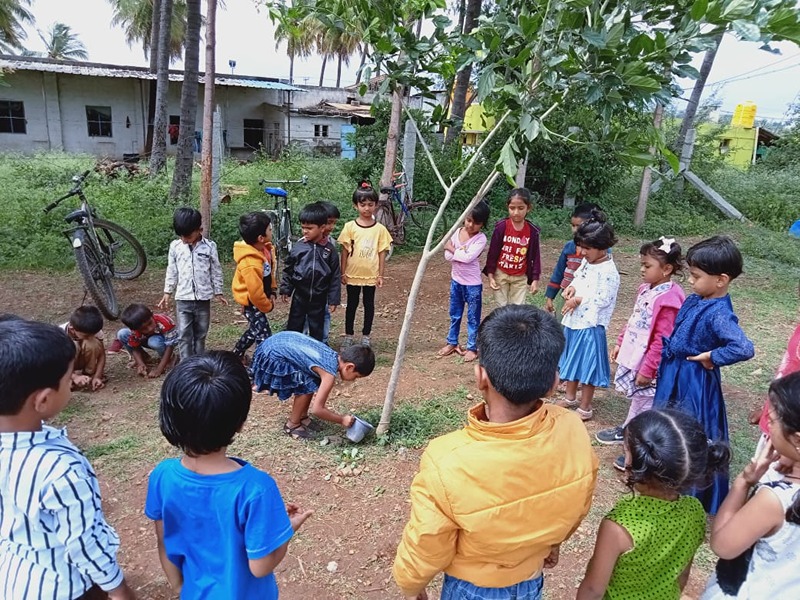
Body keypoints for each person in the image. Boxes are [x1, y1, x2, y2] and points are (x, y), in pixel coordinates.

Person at [393, 305, 598, 600]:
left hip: (471, 588)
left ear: (480, 377)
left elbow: (428, 541)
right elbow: (578, 502)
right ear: (554, 383)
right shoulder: (572, 428)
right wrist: (552, 543)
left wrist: (411, 585)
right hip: (531, 579)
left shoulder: (446, 459)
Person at [145, 351, 313, 599]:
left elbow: (164, 540)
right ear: (240, 423)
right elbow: (260, 566)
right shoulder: (256, 489)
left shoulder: (162, 476)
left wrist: (180, 587)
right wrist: (287, 530)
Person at [0, 318, 136, 600]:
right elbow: (84, 543)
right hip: (66, 587)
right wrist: (118, 589)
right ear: (43, 400)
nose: (71, 385)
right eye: (67, 380)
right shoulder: (61, 470)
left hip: (14, 580)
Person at [577, 409, 729, 600]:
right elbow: (682, 576)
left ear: (639, 465)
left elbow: (593, 590)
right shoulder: (695, 511)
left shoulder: (618, 526)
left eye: (626, 452)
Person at [653, 235, 754, 515]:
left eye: (696, 276)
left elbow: (743, 347)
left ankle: (689, 493)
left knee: (688, 432)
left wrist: (712, 357)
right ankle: (661, 478)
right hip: (674, 373)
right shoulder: (698, 299)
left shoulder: (719, 313)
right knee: (668, 425)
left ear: (721, 280)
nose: (690, 281)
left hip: (693, 382)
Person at [701, 372, 800, 599]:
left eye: (772, 421)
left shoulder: (774, 500)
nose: (768, 426)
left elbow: (723, 545)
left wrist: (743, 482)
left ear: (797, 439)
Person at [596, 237, 686, 458]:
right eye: (642, 264)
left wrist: (648, 369)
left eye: (647, 266)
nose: (642, 269)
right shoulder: (645, 289)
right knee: (639, 398)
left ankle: (639, 446)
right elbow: (634, 318)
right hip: (635, 353)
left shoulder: (669, 299)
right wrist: (620, 342)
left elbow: (661, 339)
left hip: (648, 361)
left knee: (646, 402)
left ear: (666, 269)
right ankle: (629, 430)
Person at [251, 330, 375, 440]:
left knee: (310, 380)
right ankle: (292, 424)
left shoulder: (332, 356)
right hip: (272, 354)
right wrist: (342, 419)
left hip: (274, 343)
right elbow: (317, 410)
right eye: (356, 376)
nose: (354, 380)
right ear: (349, 367)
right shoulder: (328, 374)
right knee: (306, 385)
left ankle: (302, 416)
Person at [557, 210, 620, 421]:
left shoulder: (609, 271)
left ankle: (585, 407)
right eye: (580, 246)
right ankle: (570, 397)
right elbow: (578, 278)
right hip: (575, 322)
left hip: (591, 326)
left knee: (588, 367)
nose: (582, 252)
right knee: (573, 360)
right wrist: (571, 288)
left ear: (602, 247)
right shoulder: (587, 262)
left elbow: (603, 299)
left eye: (587, 248)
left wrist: (578, 300)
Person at [158, 207, 227, 360]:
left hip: (203, 299)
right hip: (183, 299)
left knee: (201, 333)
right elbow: (172, 270)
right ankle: (186, 364)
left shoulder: (210, 246)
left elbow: (216, 270)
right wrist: (167, 292)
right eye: (181, 236)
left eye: (188, 236)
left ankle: (199, 362)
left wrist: (218, 291)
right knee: (184, 334)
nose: (184, 239)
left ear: (199, 230)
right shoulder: (175, 247)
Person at [338, 182, 392, 348]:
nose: (367, 208)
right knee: (351, 305)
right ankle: (348, 335)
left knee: (369, 305)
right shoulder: (349, 227)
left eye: (370, 204)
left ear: (376, 205)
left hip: (371, 275)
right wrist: (342, 272)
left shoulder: (380, 229)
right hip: (352, 274)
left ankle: (366, 335)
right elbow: (344, 251)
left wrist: (381, 275)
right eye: (363, 205)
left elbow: (382, 253)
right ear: (356, 205)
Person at [437, 201, 490, 362]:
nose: (471, 225)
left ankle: (472, 347)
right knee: (455, 314)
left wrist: (452, 249)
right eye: (468, 220)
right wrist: (459, 254)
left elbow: (467, 258)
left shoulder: (480, 239)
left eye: (476, 223)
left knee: (473, 317)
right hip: (456, 281)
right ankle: (452, 342)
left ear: (482, 224)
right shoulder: (457, 232)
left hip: (472, 285)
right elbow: (447, 257)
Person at [280, 202, 341, 342]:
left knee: (317, 328)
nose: (305, 231)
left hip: (319, 297)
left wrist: (333, 299)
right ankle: (292, 349)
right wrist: (285, 289)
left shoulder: (330, 250)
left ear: (322, 228)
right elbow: (289, 269)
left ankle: (315, 351)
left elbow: (335, 276)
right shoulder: (298, 247)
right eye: (303, 227)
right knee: (294, 325)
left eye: (309, 228)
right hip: (300, 295)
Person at [483, 188, 541, 307]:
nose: (516, 212)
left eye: (521, 208)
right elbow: (492, 253)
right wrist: (491, 275)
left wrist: (535, 279)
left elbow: (536, 256)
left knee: (517, 309)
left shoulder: (532, 231)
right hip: (501, 274)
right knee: (501, 308)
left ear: (528, 208)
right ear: (507, 207)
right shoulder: (501, 227)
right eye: (512, 208)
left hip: (520, 276)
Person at [232, 211, 277, 360]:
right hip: (253, 303)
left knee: (255, 330)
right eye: (269, 229)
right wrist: (267, 306)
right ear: (260, 237)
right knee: (264, 336)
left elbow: (269, 273)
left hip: (259, 300)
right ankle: (258, 368)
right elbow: (255, 293)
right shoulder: (251, 263)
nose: (272, 231)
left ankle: (235, 355)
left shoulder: (264, 250)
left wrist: (272, 290)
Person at [544, 202, 602, 316]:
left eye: (578, 226)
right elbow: (559, 272)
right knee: (561, 321)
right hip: (566, 294)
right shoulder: (569, 247)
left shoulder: (600, 250)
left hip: (586, 298)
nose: (575, 230)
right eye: (573, 225)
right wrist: (550, 296)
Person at [304, 200, 341, 344]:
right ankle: (302, 342)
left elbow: (335, 274)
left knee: (324, 315)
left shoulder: (331, 245)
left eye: (334, 223)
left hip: (323, 292)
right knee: (305, 316)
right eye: (329, 222)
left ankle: (322, 343)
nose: (331, 227)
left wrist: (334, 298)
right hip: (306, 292)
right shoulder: (304, 243)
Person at [117, 303, 177, 379]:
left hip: (164, 341)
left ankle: (170, 359)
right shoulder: (135, 330)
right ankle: (144, 358)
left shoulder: (164, 322)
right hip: (146, 339)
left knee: (154, 342)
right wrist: (140, 363)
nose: (150, 329)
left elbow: (170, 345)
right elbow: (134, 347)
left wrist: (159, 369)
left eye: (150, 323)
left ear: (152, 315)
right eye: (143, 328)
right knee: (122, 333)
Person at [61, 305, 107, 391]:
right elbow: (54, 363)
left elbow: (102, 355)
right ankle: (68, 377)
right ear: (72, 329)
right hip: (62, 365)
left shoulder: (92, 330)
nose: (91, 337)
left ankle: (89, 375)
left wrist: (97, 376)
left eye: (93, 334)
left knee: (93, 343)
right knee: (73, 345)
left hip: (81, 359)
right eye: (86, 335)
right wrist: (74, 376)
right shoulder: (59, 334)